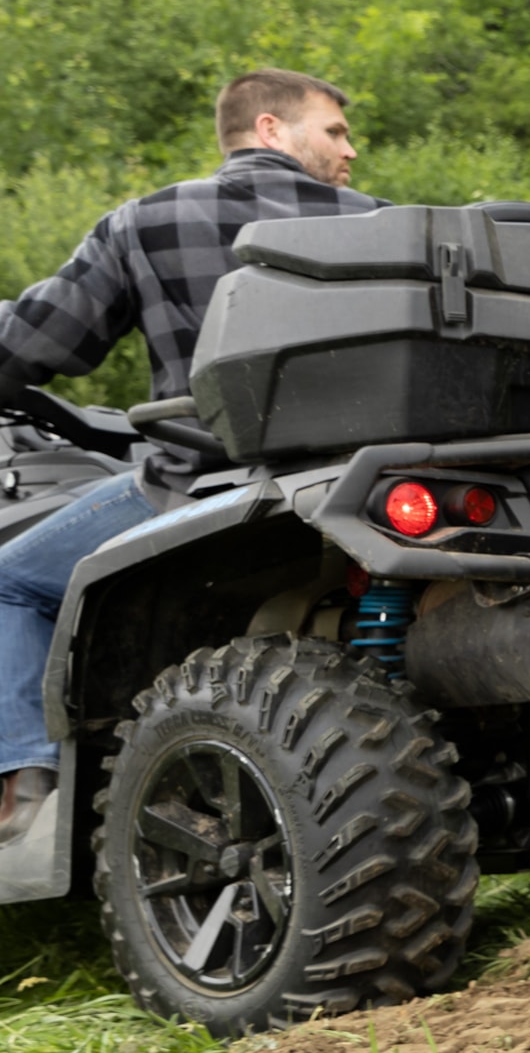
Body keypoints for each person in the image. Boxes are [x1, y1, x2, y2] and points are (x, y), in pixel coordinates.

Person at [0, 69, 383, 851]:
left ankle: (26, 787)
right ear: (271, 128)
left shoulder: (147, 220)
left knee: (8, 580)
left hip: (206, 483)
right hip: (365, 479)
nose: (351, 151)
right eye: (336, 132)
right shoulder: (381, 224)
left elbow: (39, 343)